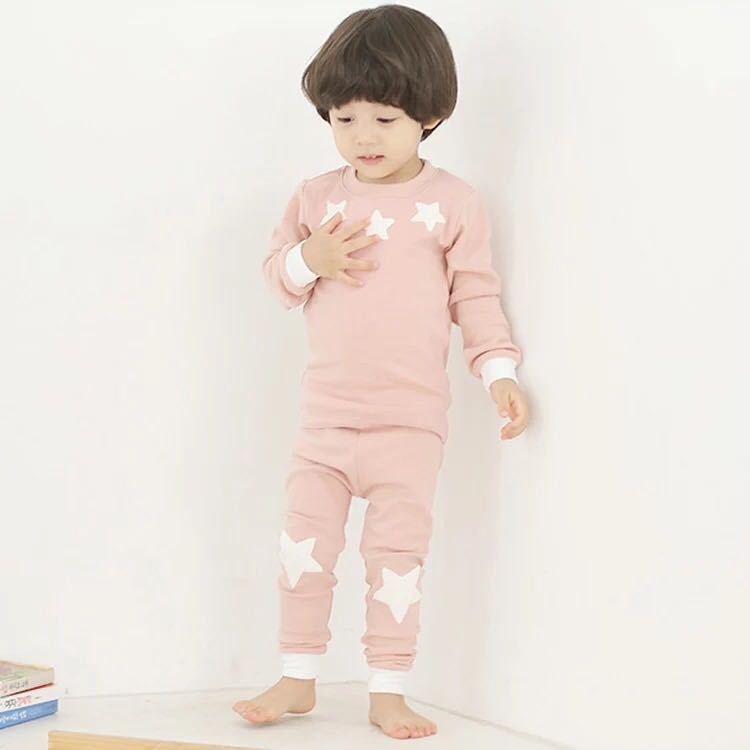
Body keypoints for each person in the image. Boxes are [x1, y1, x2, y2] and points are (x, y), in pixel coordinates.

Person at [233, 3, 529, 740]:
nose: (362, 137)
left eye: (384, 119)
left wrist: (498, 371)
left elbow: (475, 295)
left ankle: (388, 688)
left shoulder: (452, 203)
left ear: (430, 116)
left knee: (396, 563)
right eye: (345, 118)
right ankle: (297, 677)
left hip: (409, 426)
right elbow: (276, 278)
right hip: (325, 423)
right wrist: (309, 258)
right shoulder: (316, 198)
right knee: (303, 555)